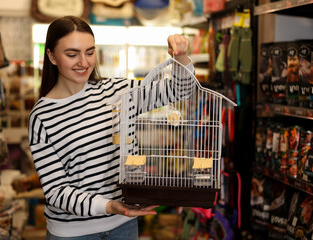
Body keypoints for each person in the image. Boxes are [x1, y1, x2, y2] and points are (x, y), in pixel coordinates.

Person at [28, 15, 194, 239]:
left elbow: (179, 90)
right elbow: (56, 191)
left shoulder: (117, 92)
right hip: (72, 233)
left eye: (90, 52)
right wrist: (109, 206)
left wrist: (181, 57)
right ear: (51, 56)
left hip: (123, 227)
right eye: (72, 54)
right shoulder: (42, 116)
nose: (84, 62)